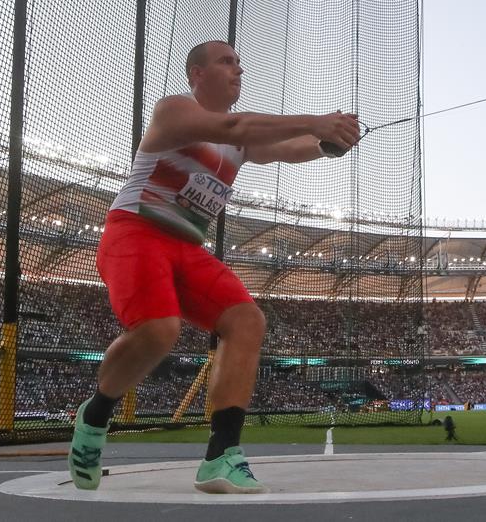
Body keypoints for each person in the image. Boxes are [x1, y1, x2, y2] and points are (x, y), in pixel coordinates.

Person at [68, 40, 360, 493]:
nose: (238, 70)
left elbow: (288, 148)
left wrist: (330, 142)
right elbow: (237, 124)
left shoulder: (241, 141)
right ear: (197, 73)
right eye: (227, 62)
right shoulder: (174, 112)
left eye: (240, 64)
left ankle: (222, 456)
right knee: (159, 330)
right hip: (136, 231)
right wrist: (317, 121)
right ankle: (95, 416)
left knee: (247, 320)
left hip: (188, 248)